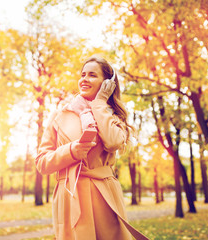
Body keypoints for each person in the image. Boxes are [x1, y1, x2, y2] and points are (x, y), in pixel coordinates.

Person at [35, 56, 148, 240]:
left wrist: (99, 103)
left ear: (106, 84)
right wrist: (71, 152)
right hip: (70, 197)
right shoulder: (59, 115)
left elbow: (112, 141)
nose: (85, 79)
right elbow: (41, 163)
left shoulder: (113, 115)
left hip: (104, 195)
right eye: (83, 74)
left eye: (92, 75)